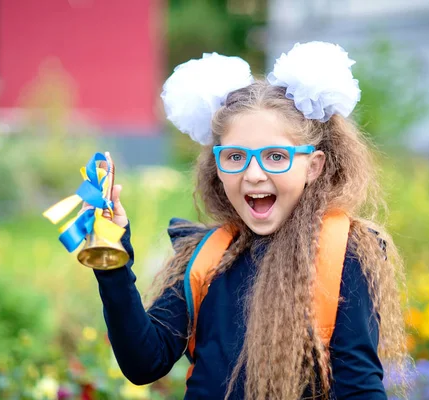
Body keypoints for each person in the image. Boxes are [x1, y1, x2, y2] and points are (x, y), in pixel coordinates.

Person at [91, 42, 409, 399]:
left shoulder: (342, 253)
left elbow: (359, 388)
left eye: (275, 156)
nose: (253, 174)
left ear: (314, 166)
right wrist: (111, 260)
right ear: (217, 165)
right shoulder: (204, 254)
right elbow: (143, 363)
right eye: (235, 156)